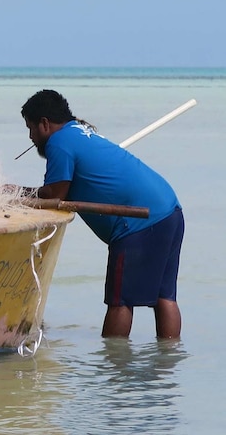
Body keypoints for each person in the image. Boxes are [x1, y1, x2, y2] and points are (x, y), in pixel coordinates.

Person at [14, 89, 183, 339]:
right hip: (170, 211)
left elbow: (55, 195)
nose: (31, 137)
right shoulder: (80, 131)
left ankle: (113, 369)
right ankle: (168, 364)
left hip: (136, 223)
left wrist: (15, 193)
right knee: (164, 297)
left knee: (120, 302)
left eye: (31, 128)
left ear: (45, 124)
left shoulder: (59, 143)